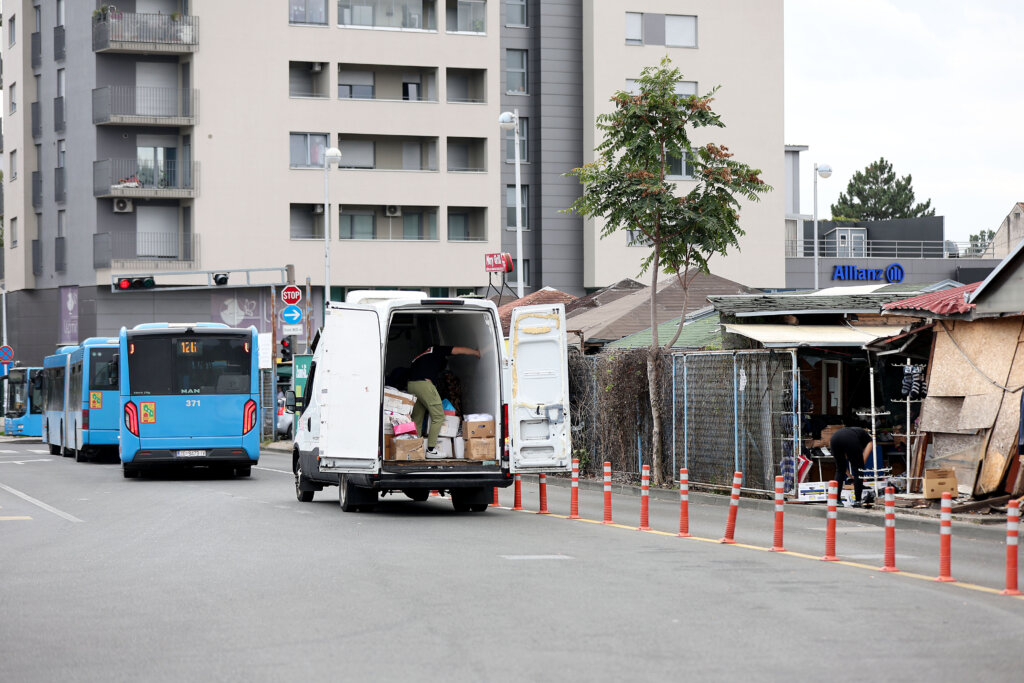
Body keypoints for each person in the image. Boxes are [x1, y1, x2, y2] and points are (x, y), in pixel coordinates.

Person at [406, 345, 481, 456]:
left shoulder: (419, 357)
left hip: (411, 385)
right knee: (438, 416)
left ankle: (413, 450)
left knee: (417, 418)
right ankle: (431, 450)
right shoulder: (437, 350)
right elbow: (457, 350)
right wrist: (475, 352)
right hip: (424, 385)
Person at [829, 426, 875, 507]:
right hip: (849, 439)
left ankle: (836, 500)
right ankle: (857, 501)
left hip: (834, 438)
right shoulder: (867, 437)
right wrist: (859, 466)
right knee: (859, 470)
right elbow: (870, 446)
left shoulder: (854, 431)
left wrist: (849, 475)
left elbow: (842, 465)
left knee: (840, 469)